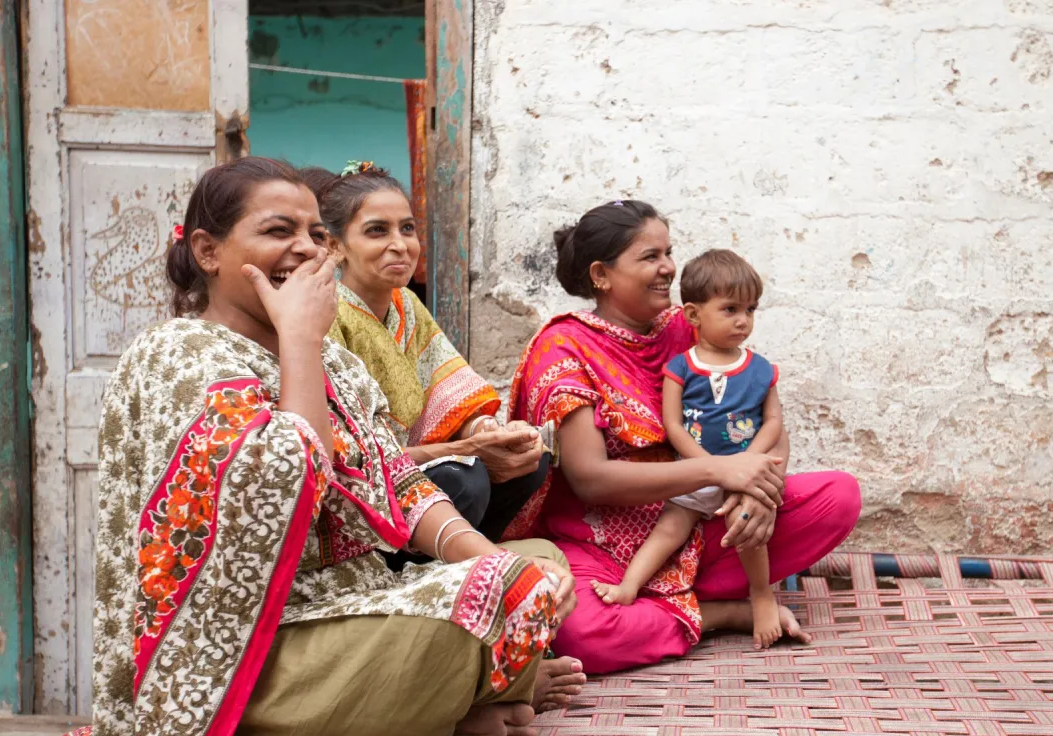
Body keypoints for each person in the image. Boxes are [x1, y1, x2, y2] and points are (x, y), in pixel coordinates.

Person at [69, 158, 580, 736]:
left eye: (315, 235)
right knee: (474, 606)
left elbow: (396, 481)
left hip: (355, 606)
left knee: (537, 566)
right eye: (277, 231)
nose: (305, 250)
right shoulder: (178, 353)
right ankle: (455, 704)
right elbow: (288, 480)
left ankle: (449, 703)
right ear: (209, 252)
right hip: (244, 643)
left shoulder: (335, 362)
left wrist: (493, 558)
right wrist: (301, 339)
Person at [503, 200, 862, 674]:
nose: (668, 268)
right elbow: (590, 479)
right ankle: (721, 612)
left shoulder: (686, 326)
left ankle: (667, 602)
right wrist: (718, 469)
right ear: (601, 274)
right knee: (580, 633)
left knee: (839, 496)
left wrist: (759, 490)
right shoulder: (563, 348)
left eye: (668, 252)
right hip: (599, 546)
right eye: (649, 257)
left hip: (700, 522)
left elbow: (765, 420)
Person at [307, 162, 549, 544]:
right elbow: (352, 454)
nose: (400, 244)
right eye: (376, 231)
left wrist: (490, 433)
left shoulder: (407, 305)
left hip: (414, 461)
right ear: (336, 246)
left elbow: (451, 396)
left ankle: (469, 550)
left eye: (407, 228)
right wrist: (469, 448)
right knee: (461, 479)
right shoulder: (327, 312)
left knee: (530, 462)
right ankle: (415, 560)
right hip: (365, 481)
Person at [590, 248, 786, 650]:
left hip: (746, 475)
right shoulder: (680, 367)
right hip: (693, 472)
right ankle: (630, 586)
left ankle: (761, 595)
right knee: (669, 528)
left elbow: (773, 422)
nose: (742, 321)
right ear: (694, 315)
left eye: (750, 310)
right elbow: (674, 427)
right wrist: (712, 468)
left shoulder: (760, 368)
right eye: (730, 309)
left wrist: (747, 467)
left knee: (749, 531)